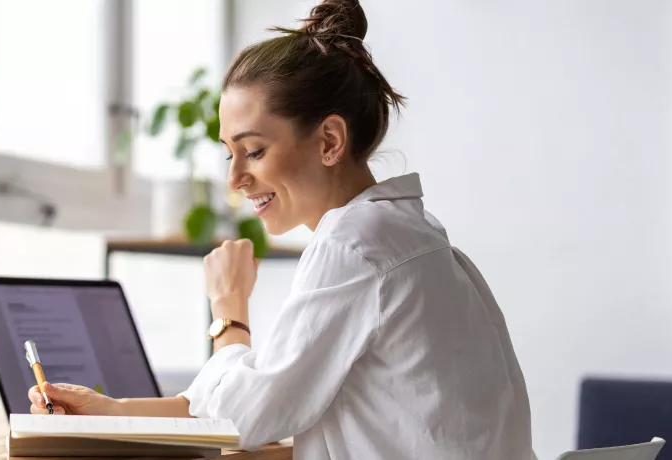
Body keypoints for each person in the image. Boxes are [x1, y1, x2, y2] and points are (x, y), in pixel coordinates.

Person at [27, 0, 535, 458]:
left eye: (254, 151)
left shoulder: (354, 246)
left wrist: (228, 311)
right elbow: (256, 398)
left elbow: (244, 418)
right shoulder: (408, 233)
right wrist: (112, 411)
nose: (234, 177)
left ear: (330, 140)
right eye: (229, 153)